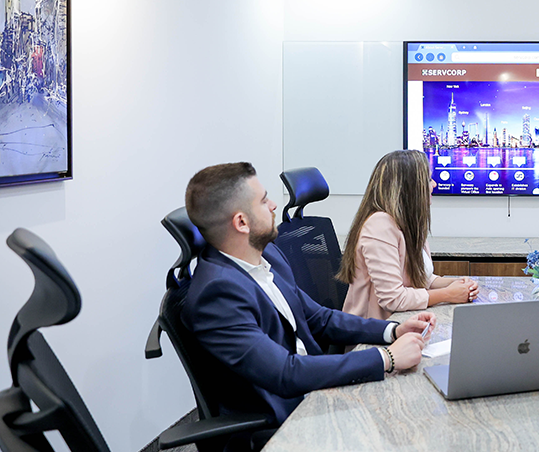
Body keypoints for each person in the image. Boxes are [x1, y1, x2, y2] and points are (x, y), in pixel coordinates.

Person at [181, 162, 434, 426]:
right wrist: (387, 357)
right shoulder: (216, 295)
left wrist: (393, 330)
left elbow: (320, 318)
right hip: (285, 420)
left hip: (317, 389)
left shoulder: (267, 254)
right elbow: (284, 373)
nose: (273, 206)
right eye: (264, 200)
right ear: (242, 222)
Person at [339, 150, 478, 321]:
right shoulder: (380, 225)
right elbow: (393, 299)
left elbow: (422, 278)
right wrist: (448, 294)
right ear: (409, 188)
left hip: (402, 323)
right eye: (428, 180)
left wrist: (457, 284)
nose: (433, 184)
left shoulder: (408, 222)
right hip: (373, 334)